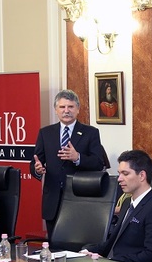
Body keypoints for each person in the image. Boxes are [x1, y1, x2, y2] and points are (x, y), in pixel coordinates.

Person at [31, 89, 104, 236]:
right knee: (54, 243)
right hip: (53, 200)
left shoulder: (90, 132)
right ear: (56, 110)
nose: (66, 111)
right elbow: (35, 162)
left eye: (70, 107)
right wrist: (37, 169)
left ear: (78, 109)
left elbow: (98, 163)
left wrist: (77, 158)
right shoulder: (45, 133)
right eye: (62, 107)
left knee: (78, 242)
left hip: (80, 199)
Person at [81, 150, 152, 262]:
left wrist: (110, 261)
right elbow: (113, 242)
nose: (119, 179)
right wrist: (88, 250)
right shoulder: (127, 202)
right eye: (119, 173)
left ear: (142, 176)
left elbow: (151, 255)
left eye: (125, 173)